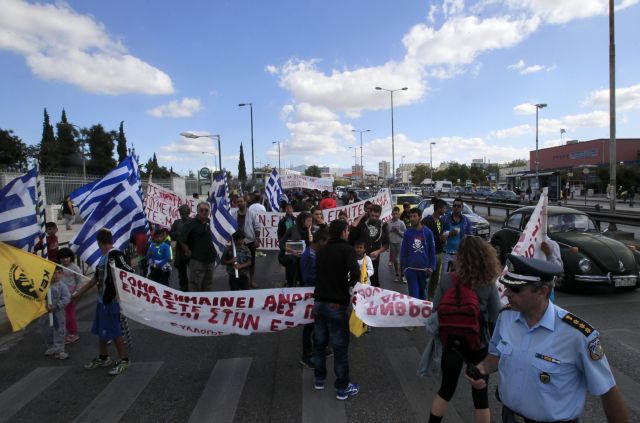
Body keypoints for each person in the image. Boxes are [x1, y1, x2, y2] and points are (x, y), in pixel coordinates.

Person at [466, 254, 630, 423]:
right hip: (509, 417)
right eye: (506, 285)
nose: (506, 293)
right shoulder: (506, 316)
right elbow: (496, 355)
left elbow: (607, 390)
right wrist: (481, 369)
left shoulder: (578, 335)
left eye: (515, 289)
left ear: (543, 291)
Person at [428, 237, 501, 423]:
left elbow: (435, 310)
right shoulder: (487, 283)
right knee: (481, 397)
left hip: (452, 344)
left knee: (446, 389)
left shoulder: (446, 280)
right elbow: (494, 318)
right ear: (485, 257)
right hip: (478, 344)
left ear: (460, 257)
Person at [72, 228, 133, 376]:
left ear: (100, 243)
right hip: (102, 300)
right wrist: (80, 292)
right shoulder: (104, 257)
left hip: (111, 301)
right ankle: (103, 356)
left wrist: (120, 294)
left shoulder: (116, 255)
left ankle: (124, 359)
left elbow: (129, 273)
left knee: (115, 331)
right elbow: (96, 278)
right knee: (102, 330)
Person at [312, 219, 360, 400]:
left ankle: (319, 379)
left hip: (319, 301)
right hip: (335, 303)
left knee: (319, 343)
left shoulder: (321, 249)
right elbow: (355, 273)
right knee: (339, 347)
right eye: (347, 230)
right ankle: (342, 387)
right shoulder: (347, 249)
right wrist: (347, 286)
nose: (348, 233)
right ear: (343, 232)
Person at [299, 229, 329, 369]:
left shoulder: (316, 253)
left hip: (319, 293)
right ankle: (306, 355)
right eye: (325, 242)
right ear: (320, 241)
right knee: (309, 326)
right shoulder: (308, 255)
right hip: (311, 294)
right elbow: (307, 277)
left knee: (319, 323)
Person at [179, 201, 216, 292]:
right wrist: (187, 250)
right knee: (195, 284)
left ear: (209, 212)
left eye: (206, 210)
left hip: (210, 260)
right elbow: (181, 238)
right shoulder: (190, 223)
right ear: (197, 211)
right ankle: (194, 303)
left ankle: (206, 302)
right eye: (201, 210)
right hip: (197, 260)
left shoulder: (212, 223)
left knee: (208, 284)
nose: (204, 212)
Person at [349, 204, 388, 287]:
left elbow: (386, 244)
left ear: (380, 215)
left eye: (377, 216)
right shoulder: (362, 223)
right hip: (359, 257)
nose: (374, 218)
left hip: (374, 258)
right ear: (369, 213)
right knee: (358, 280)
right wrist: (362, 215)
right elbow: (353, 226)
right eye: (372, 215)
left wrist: (378, 251)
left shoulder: (383, 226)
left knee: (373, 281)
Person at [400, 208, 436, 301]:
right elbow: (404, 251)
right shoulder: (407, 233)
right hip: (411, 270)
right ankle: (413, 315)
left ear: (420, 217)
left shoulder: (428, 232)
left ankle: (422, 315)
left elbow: (432, 251)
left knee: (422, 296)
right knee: (414, 297)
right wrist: (405, 268)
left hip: (424, 271)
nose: (412, 219)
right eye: (410, 216)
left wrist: (432, 267)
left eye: (414, 216)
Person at [41, 266, 71, 360]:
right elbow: (39, 297)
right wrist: (45, 305)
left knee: (59, 330)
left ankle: (60, 350)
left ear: (62, 274)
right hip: (45, 313)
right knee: (46, 330)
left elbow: (66, 298)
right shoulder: (45, 285)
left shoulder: (62, 286)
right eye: (53, 273)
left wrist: (56, 306)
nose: (56, 275)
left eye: (58, 273)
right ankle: (51, 346)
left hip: (58, 312)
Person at [279, 211, 313, 287]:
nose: (310, 223)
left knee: (303, 279)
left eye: (311, 221)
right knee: (292, 279)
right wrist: (292, 251)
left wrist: (310, 232)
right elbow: (281, 244)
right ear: (302, 220)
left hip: (304, 259)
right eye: (308, 221)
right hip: (292, 259)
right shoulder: (292, 229)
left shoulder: (310, 230)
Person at [422, 198, 447, 300]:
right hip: (429, 255)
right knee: (427, 278)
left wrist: (443, 239)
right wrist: (439, 238)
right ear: (439, 209)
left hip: (439, 252)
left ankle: (430, 299)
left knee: (435, 279)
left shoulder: (440, 221)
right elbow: (424, 237)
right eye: (444, 208)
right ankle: (422, 299)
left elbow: (439, 234)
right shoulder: (426, 221)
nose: (445, 211)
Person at [440, 198, 472, 274]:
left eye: (458, 206)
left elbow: (469, 238)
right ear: (452, 207)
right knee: (446, 277)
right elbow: (439, 236)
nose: (456, 207)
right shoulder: (444, 219)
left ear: (462, 208)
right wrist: (449, 234)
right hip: (446, 253)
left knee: (458, 277)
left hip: (460, 254)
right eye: (454, 206)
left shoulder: (467, 221)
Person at [58, 247, 82, 344]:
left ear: (71, 257)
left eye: (67, 257)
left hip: (71, 295)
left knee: (70, 315)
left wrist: (76, 293)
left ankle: (73, 333)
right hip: (61, 295)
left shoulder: (75, 268)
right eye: (62, 258)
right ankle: (65, 332)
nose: (65, 260)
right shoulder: (59, 267)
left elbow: (79, 281)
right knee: (62, 315)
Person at [171, 204, 191, 291]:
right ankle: (184, 287)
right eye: (181, 212)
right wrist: (179, 235)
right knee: (181, 272)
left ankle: (193, 287)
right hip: (180, 251)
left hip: (191, 250)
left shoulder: (192, 222)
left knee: (194, 271)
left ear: (189, 212)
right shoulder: (176, 223)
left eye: (185, 212)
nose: (183, 213)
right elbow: (171, 234)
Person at [387, 206, 406, 283]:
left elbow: (405, 234)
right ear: (391, 214)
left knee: (401, 260)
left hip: (400, 243)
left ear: (399, 214)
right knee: (395, 261)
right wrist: (391, 230)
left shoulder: (401, 223)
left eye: (396, 214)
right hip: (392, 243)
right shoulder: (388, 223)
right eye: (393, 214)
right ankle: (397, 275)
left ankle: (403, 275)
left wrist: (398, 231)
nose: (395, 215)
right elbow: (386, 233)